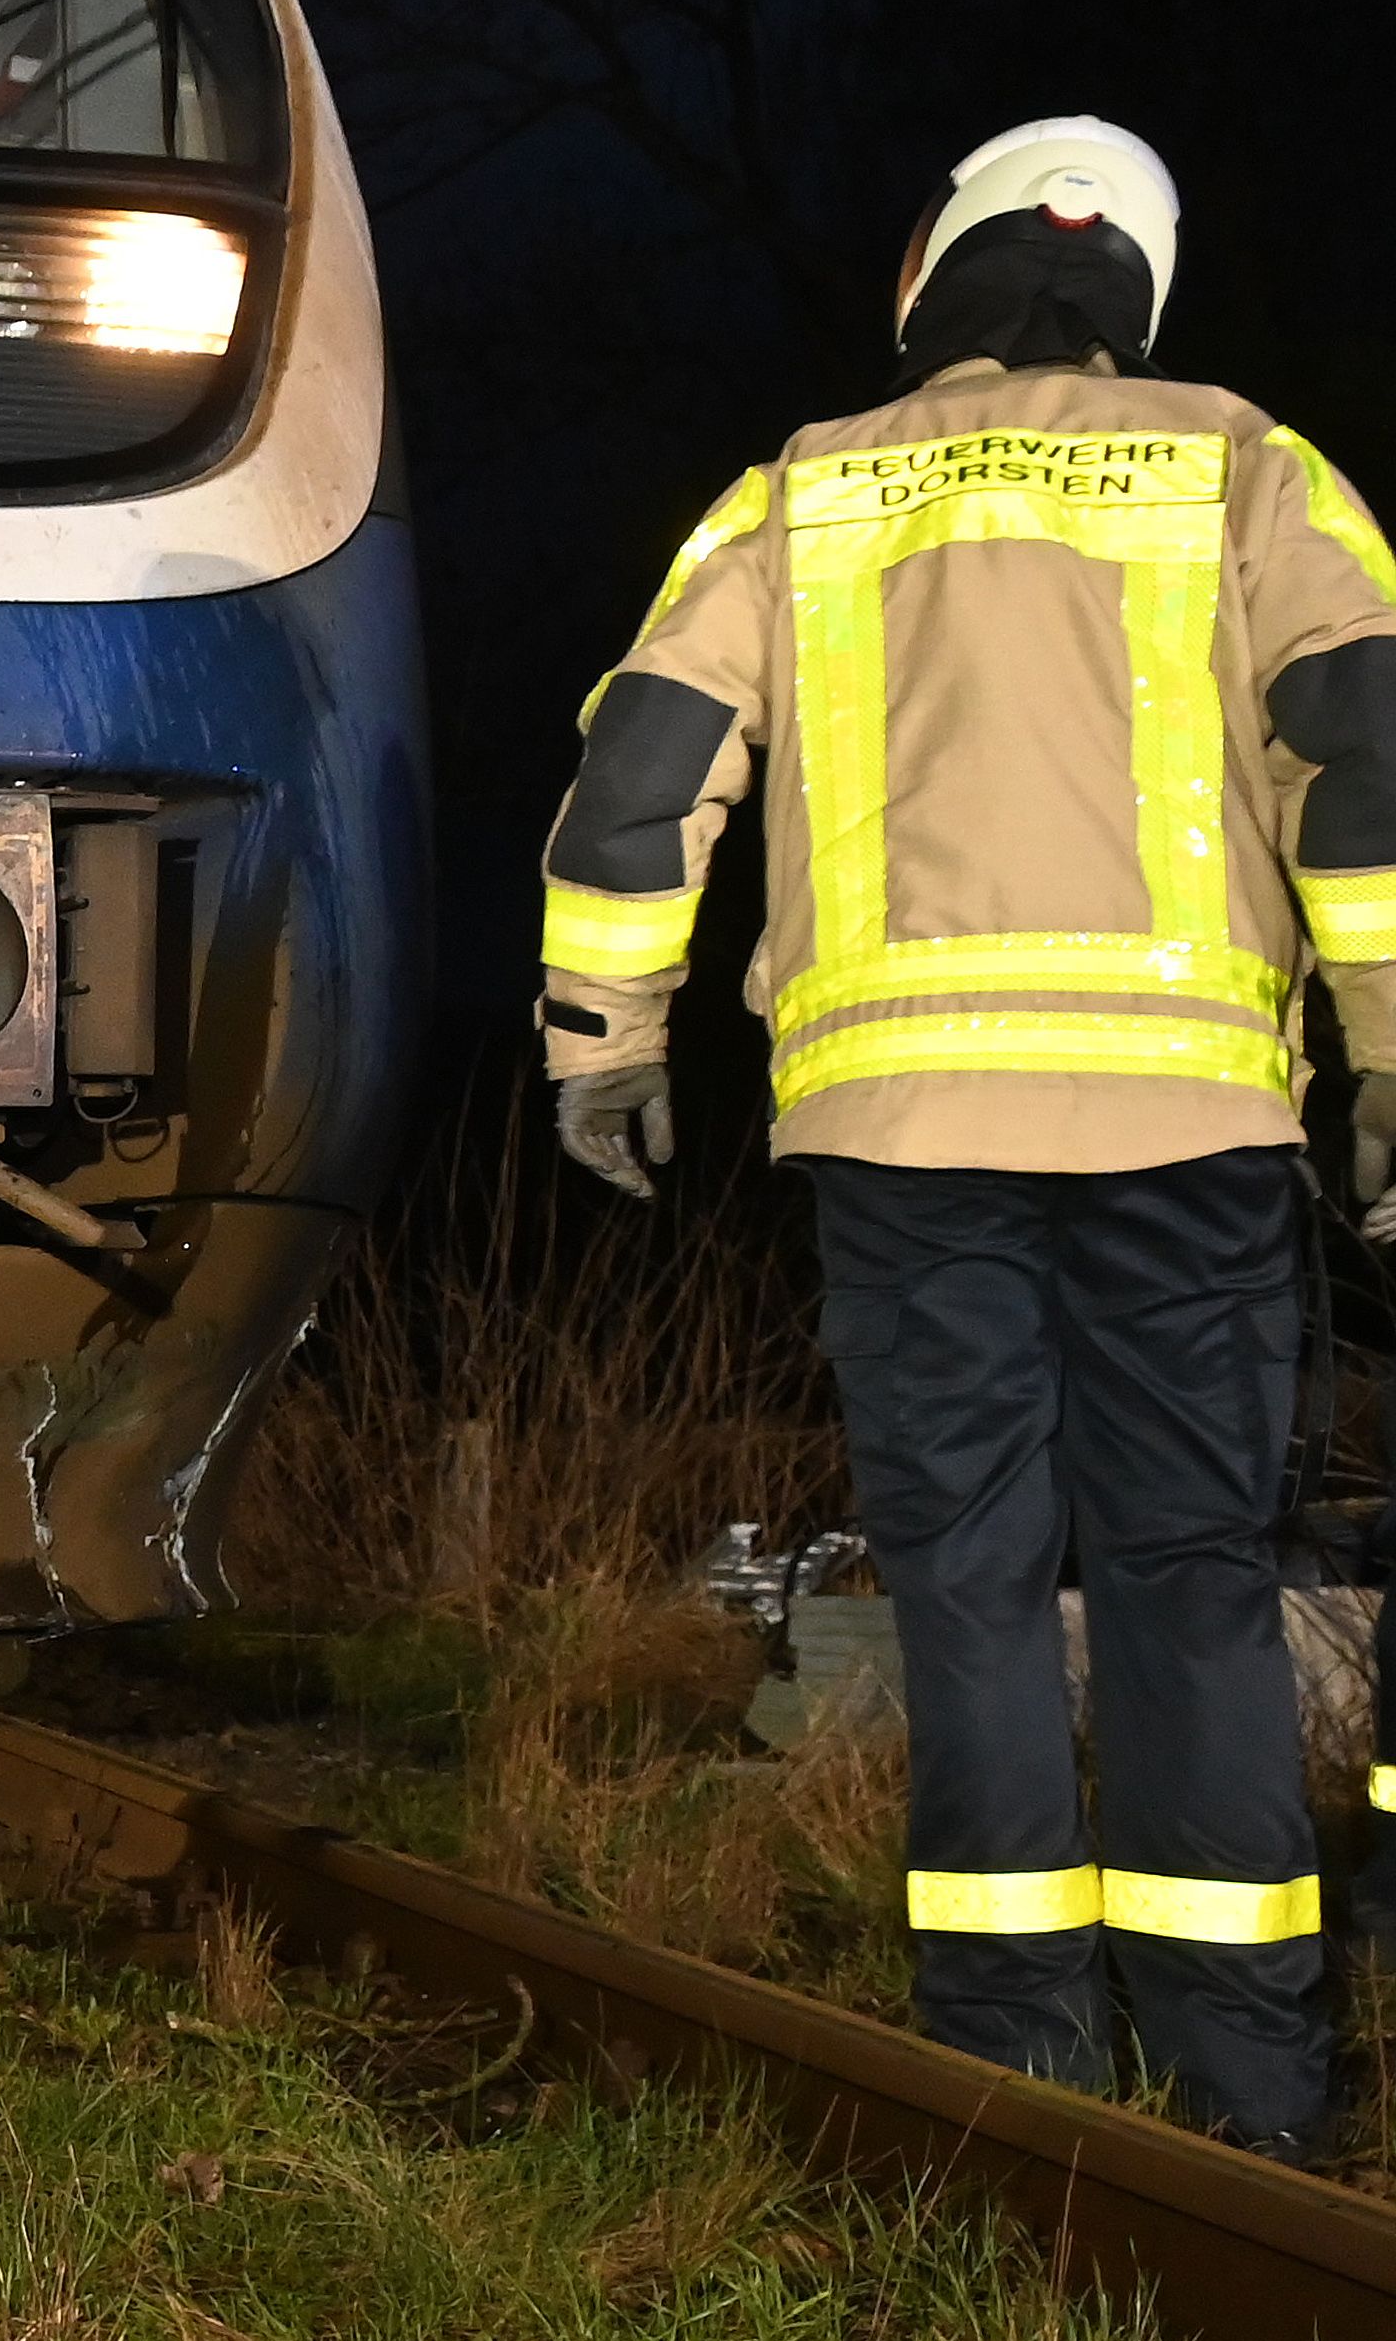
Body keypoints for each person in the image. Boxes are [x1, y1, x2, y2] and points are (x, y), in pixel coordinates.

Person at [537, 120, 1396, 2160]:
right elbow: (1357, 757)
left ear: (939, 270)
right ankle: (1242, 2104)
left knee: (969, 1588)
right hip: (1183, 1125)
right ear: (1131, 291)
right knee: (1191, 1578)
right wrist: (1382, 1052)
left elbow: (632, 782)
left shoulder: (803, 490)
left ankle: (1008, 2078)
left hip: (899, 1131)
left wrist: (601, 1036)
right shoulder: (1243, 467)